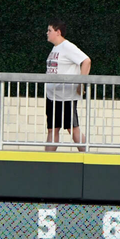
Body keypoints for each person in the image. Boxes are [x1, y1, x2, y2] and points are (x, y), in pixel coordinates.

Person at [44, 19, 90, 152]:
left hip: (66, 96)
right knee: (52, 129)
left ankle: (87, 156)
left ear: (58, 32)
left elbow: (86, 61)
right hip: (53, 96)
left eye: (49, 30)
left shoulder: (67, 47)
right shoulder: (55, 48)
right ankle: (46, 162)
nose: (47, 33)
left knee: (72, 128)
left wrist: (80, 83)